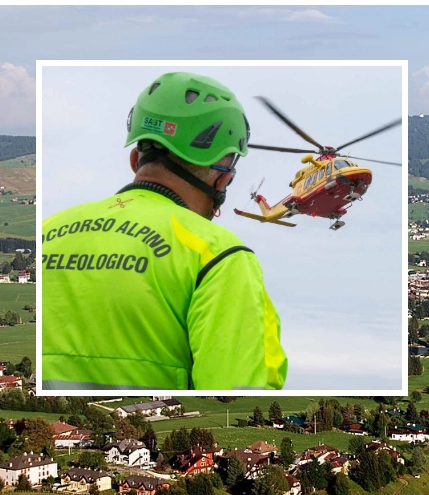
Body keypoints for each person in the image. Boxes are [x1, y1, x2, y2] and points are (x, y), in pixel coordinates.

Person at [42, 71, 287, 390]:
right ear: (223, 178)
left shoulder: (49, 231)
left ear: (135, 159)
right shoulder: (218, 254)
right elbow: (243, 390)